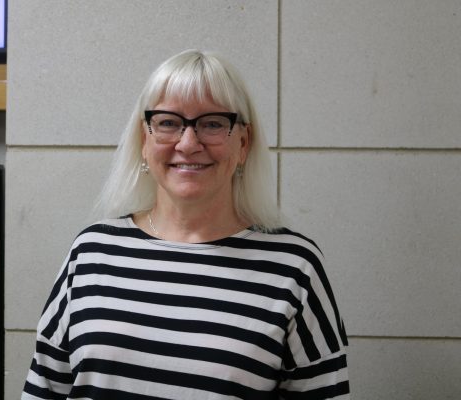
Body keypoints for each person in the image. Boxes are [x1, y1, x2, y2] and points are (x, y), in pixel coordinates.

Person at [22, 49, 349, 399]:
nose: (189, 144)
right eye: (168, 122)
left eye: (212, 123)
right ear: (144, 139)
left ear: (243, 143)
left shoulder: (294, 266)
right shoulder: (91, 252)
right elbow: (44, 389)